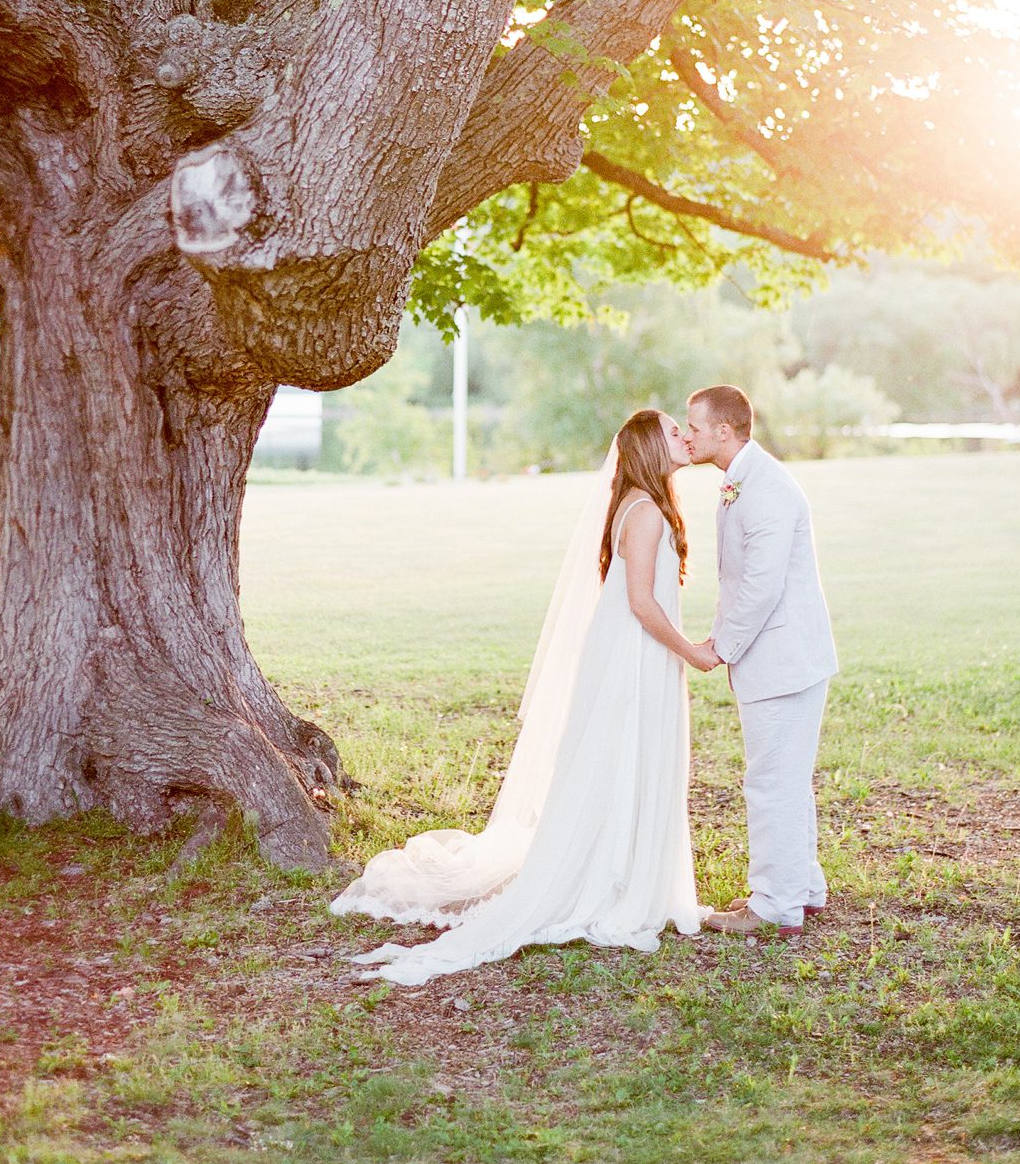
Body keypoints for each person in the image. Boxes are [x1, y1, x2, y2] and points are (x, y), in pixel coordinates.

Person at [330, 409, 720, 984]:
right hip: (632, 661)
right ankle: (611, 879)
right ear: (647, 449)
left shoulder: (644, 505)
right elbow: (641, 603)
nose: (685, 437)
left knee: (625, 761)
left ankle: (628, 873)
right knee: (620, 758)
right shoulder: (644, 514)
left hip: (637, 657)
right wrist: (692, 652)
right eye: (673, 432)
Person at [684, 384, 839, 940]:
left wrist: (720, 646)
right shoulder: (743, 478)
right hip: (784, 655)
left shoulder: (766, 486)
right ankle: (804, 888)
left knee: (771, 782)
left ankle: (773, 904)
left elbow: (761, 585)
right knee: (787, 779)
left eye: (694, 427)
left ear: (724, 432)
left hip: (783, 659)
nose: (687, 435)